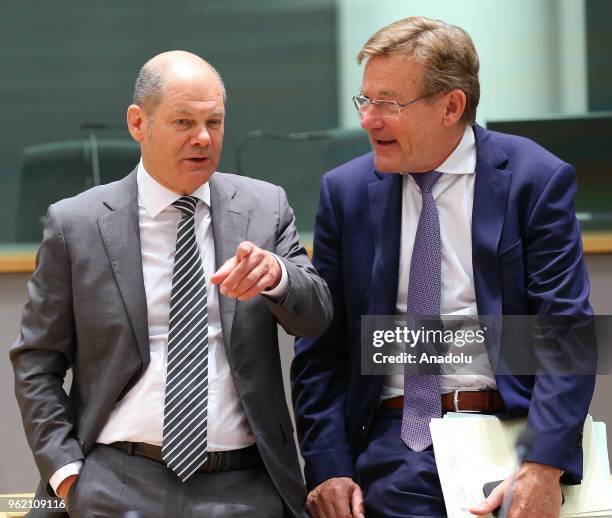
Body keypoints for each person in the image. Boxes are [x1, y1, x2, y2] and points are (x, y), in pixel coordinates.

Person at [291, 16, 595, 518]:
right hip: (393, 437)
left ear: (452, 106)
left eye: (388, 103)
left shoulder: (533, 179)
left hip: (511, 429)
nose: (369, 119)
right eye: (364, 100)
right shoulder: (345, 193)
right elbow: (324, 346)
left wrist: (543, 464)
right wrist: (328, 466)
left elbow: (565, 333)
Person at [11, 50, 332, 518]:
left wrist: (279, 277)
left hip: (244, 485)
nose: (203, 138)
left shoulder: (264, 208)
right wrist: (66, 473)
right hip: (115, 482)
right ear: (138, 123)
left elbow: (318, 316)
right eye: (183, 122)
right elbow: (37, 361)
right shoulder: (76, 224)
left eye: (215, 122)